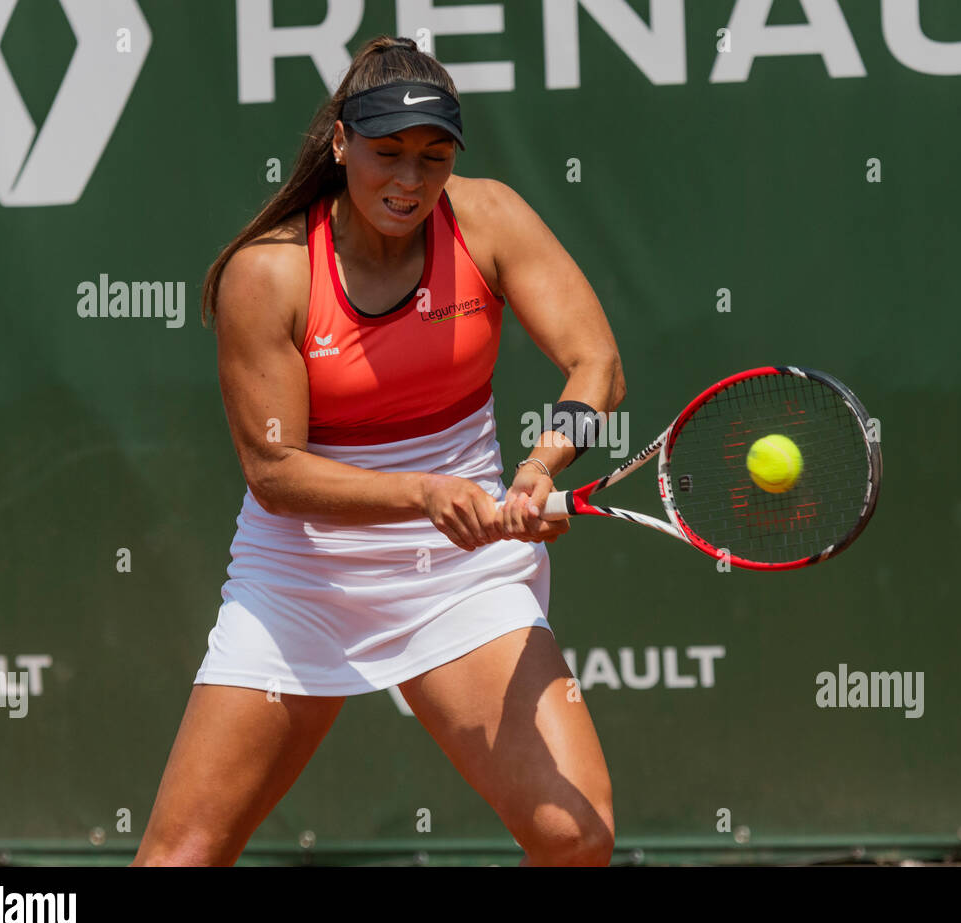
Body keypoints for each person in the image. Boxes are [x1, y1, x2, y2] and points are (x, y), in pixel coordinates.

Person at [132, 35, 626, 867]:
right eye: (386, 154)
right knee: (182, 859)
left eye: (433, 158)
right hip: (303, 575)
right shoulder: (270, 273)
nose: (409, 180)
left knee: (574, 836)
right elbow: (276, 474)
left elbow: (596, 363)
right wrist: (428, 495)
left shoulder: (489, 218)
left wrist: (540, 466)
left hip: (462, 576)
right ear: (340, 145)